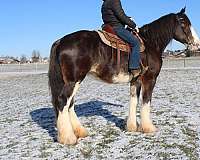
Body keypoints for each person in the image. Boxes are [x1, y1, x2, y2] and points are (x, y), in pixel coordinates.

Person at [101, 0, 147, 79]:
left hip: (108, 26)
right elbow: (121, 15)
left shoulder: (105, 3)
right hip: (116, 27)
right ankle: (134, 68)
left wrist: (128, 18)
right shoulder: (114, 1)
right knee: (135, 42)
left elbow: (114, 15)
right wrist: (133, 25)